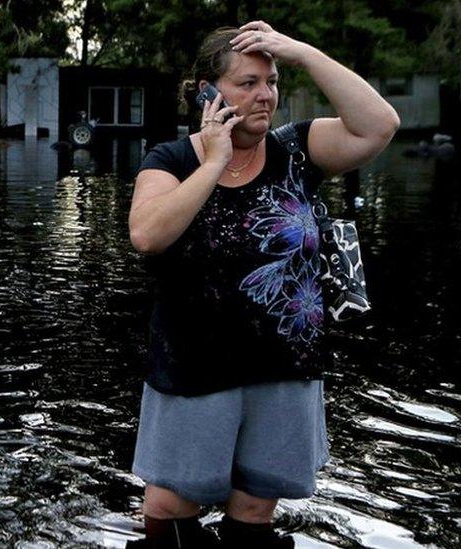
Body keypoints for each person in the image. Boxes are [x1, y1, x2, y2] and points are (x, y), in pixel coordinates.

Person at [126, 21, 399, 548]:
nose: (265, 95)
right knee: (169, 503)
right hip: (195, 364)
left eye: (271, 82)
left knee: (255, 505)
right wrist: (214, 163)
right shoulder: (172, 160)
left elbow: (378, 126)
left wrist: (300, 53)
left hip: (282, 365)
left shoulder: (297, 149)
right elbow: (147, 235)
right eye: (248, 83)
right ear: (208, 92)